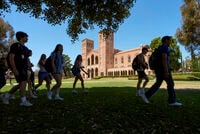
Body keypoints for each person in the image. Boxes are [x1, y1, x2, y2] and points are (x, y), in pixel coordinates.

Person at [140, 36, 182, 106]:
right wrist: (166, 71)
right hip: (163, 70)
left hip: (158, 70)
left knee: (158, 84)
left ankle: (146, 95)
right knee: (170, 84)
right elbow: (164, 59)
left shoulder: (160, 47)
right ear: (166, 40)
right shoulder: (164, 47)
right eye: (169, 40)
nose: (170, 42)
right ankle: (172, 101)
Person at [2, 31, 32, 106]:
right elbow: (11, 57)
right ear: (21, 37)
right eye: (26, 36)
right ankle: (23, 101)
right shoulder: (15, 46)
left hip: (25, 68)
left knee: (21, 84)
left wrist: (29, 68)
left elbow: (27, 59)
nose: (27, 38)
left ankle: (6, 96)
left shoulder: (25, 48)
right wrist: (14, 69)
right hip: (18, 68)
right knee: (23, 83)